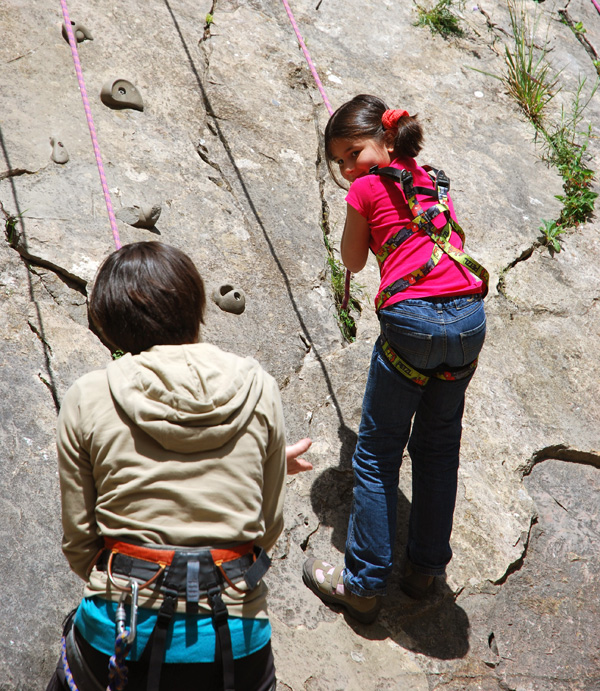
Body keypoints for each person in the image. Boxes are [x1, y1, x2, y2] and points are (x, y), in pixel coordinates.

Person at [46, 241, 312, 691]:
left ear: (109, 323)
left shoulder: (88, 396)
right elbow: (267, 527)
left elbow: (80, 543)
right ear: (196, 304)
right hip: (236, 638)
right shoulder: (259, 388)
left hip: (121, 631)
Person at [303, 94, 487, 624]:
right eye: (339, 161)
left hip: (412, 324)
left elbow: (354, 260)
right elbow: (459, 238)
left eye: (352, 152)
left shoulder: (363, 190)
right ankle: (424, 571)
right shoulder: (433, 179)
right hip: (468, 319)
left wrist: (364, 223)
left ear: (385, 140)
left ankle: (362, 584)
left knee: (376, 454)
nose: (346, 167)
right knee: (438, 448)